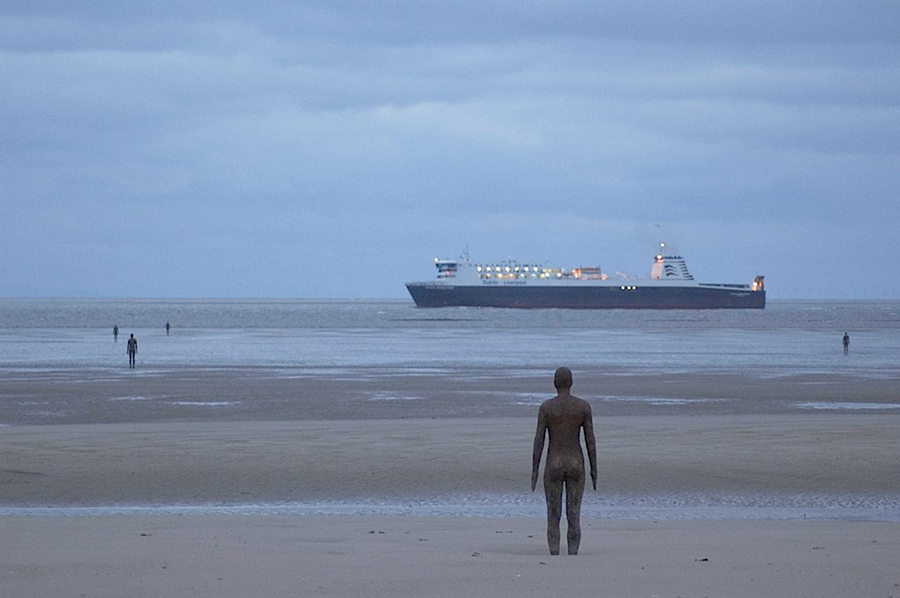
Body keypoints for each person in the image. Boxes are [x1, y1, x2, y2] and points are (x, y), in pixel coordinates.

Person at [532, 367, 597, 555]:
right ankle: (572, 553)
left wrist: (535, 470)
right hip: (576, 462)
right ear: (571, 382)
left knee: (553, 515)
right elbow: (590, 440)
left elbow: (539, 440)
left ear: (555, 383)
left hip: (554, 462)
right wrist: (594, 469)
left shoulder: (547, 408)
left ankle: (554, 553)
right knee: (573, 514)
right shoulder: (583, 407)